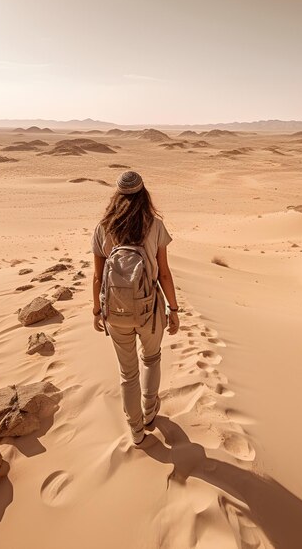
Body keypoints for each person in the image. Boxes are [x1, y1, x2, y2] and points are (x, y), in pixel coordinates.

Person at [92, 171, 180, 445]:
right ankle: (150, 410)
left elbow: (97, 276)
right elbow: (164, 274)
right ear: (144, 196)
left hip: (115, 312)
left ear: (116, 197)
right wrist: (173, 310)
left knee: (127, 373)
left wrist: (97, 310)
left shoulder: (103, 227)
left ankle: (136, 430)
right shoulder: (155, 225)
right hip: (149, 309)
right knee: (151, 359)